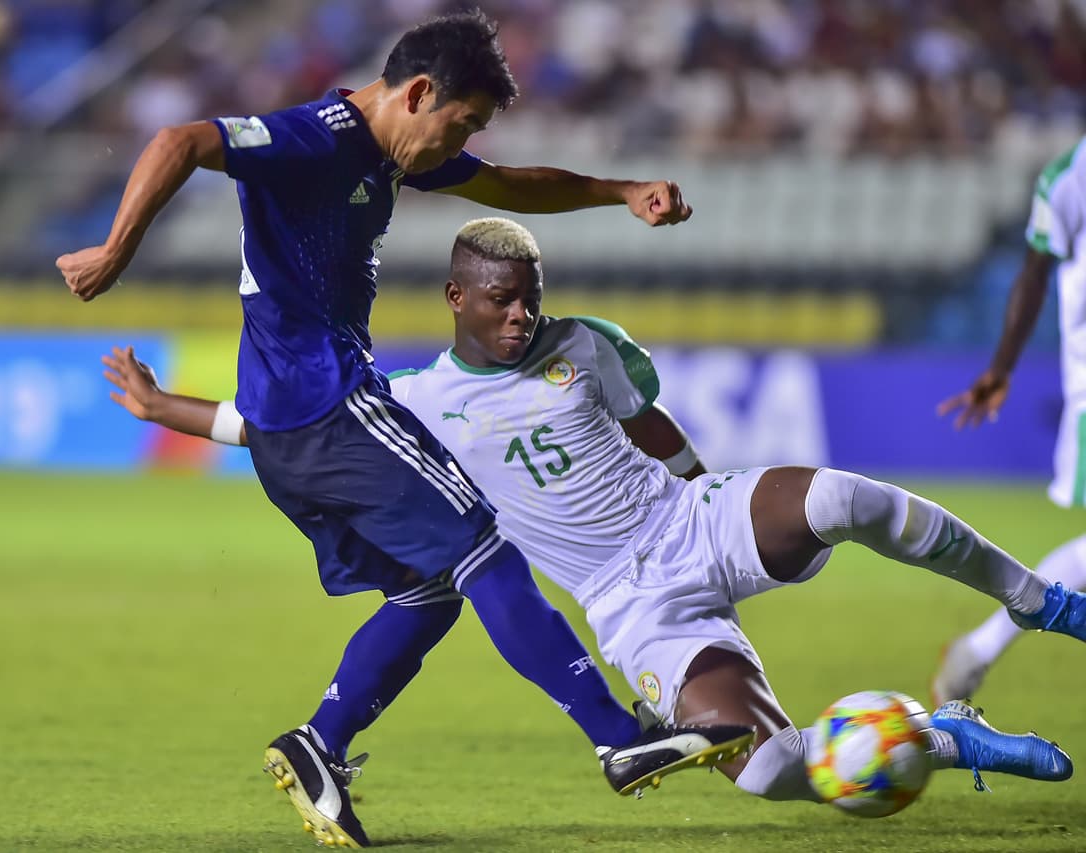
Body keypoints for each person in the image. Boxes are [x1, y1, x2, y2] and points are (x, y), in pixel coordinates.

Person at [104, 217, 1079, 816]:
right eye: (500, 302)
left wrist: (710, 489)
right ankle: (944, 736)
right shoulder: (414, 403)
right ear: (455, 298)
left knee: (839, 497)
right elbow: (270, 427)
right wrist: (160, 408)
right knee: (768, 770)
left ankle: (1033, 598)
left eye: (528, 301)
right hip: (628, 606)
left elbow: (647, 421)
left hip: (688, 521)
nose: (519, 317)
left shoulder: (583, 343)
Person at [60, 11, 751, 849]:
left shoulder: (389, 152)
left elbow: (508, 186)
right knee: (486, 550)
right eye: (461, 123)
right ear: (419, 92)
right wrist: (114, 250)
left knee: (429, 588)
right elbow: (180, 139)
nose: (461, 142)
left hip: (288, 432)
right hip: (331, 405)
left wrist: (619, 191)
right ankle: (619, 737)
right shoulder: (317, 137)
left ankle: (319, 744)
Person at [934, 136, 1086, 706]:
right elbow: (1034, 272)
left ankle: (978, 650)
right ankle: (979, 648)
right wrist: (1000, 368)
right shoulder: (1070, 177)